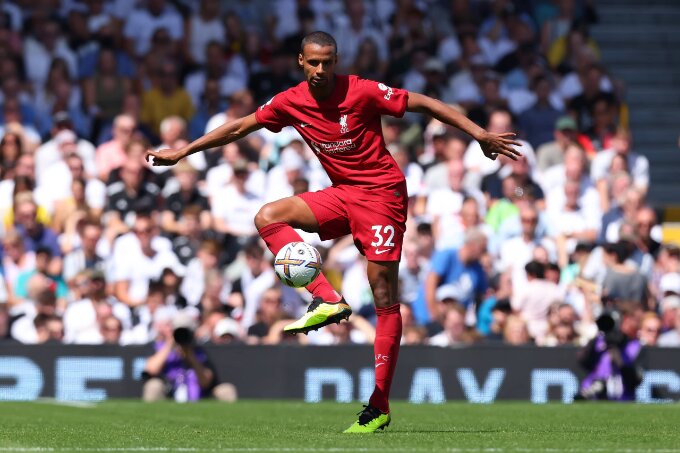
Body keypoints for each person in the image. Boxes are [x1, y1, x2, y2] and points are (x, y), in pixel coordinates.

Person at [146, 31, 520, 433]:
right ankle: (327, 298)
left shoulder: (360, 91)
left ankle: (378, 405)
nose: (321, 69)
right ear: (301, 62)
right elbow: (240, 127)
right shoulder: (291, 101)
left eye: (328, 62)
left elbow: (423, 103)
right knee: (268, 216)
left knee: (382, 294)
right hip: (344, 194)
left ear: (336, 61)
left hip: (382, 196)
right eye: (314, 62)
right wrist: (183, 151)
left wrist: (478, 133)